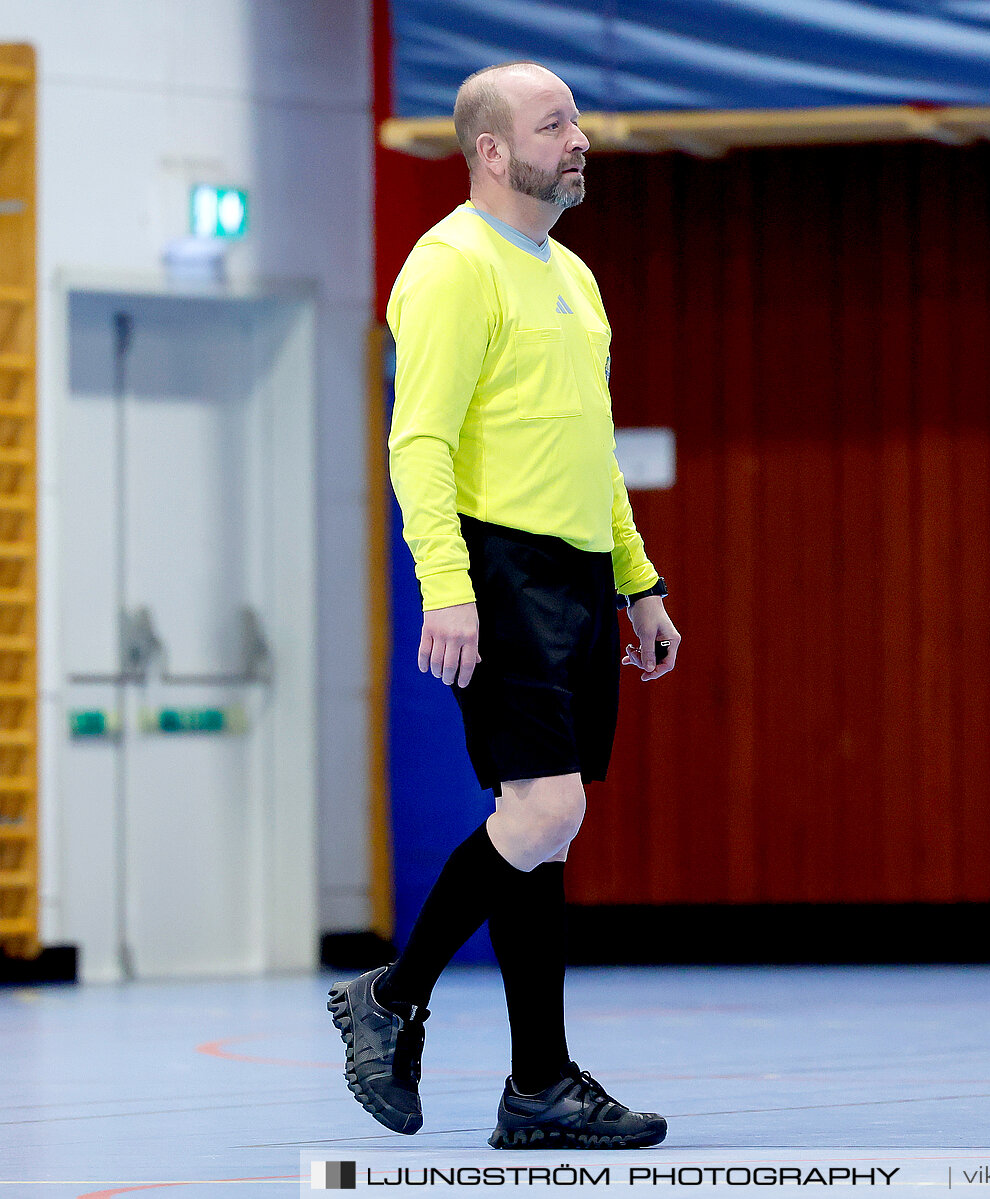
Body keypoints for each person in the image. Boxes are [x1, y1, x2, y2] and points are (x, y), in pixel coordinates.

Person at [327, 60, 679, 1151]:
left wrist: (638, 580)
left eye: (576, 119)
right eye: (554, 122)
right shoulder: (449, 268)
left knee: (544, 829)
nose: (580, 137)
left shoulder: (574, 278)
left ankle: (537, 1084)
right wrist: (449, 586)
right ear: (492, 149)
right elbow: (417, 442)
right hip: (501, 568)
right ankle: (391, 995)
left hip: (576, 574)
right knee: (542, 812)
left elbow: (594, 448)